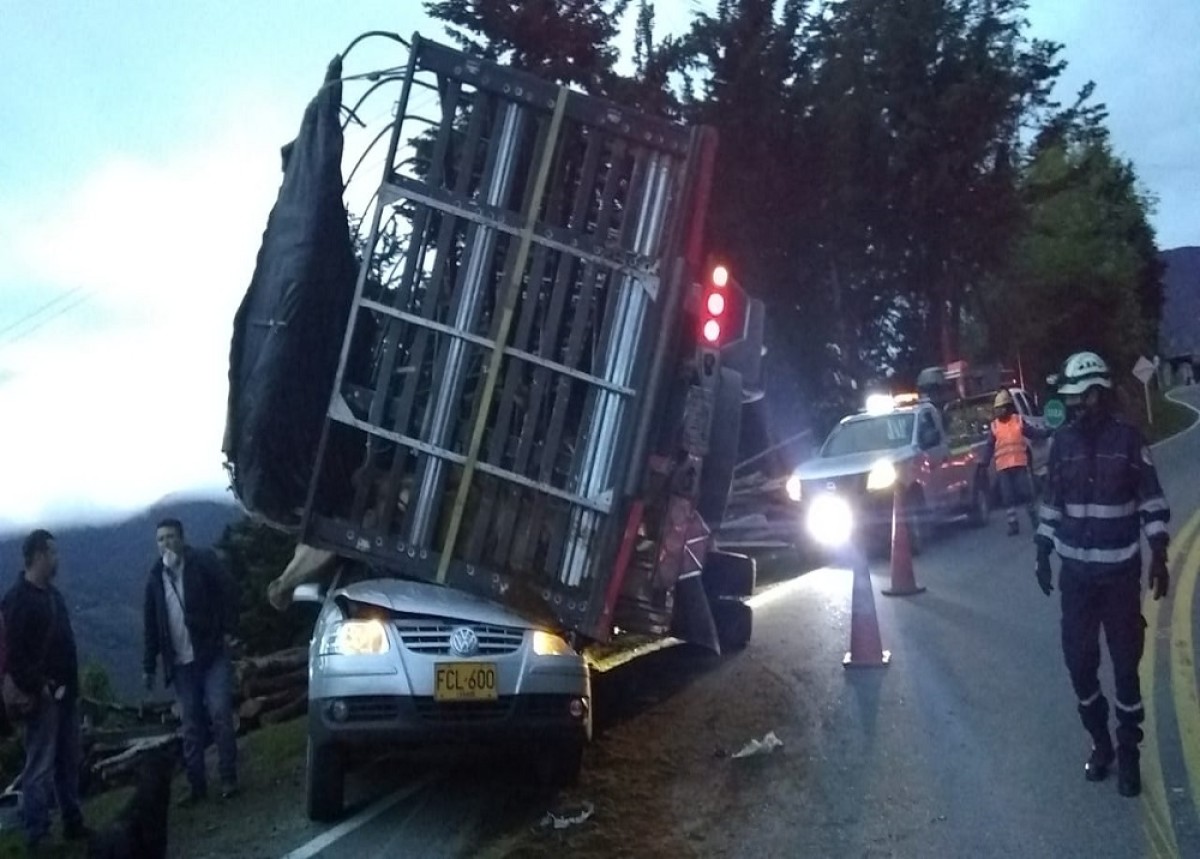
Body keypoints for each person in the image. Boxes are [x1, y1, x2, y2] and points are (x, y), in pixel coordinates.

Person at [1034, 351, 1171, 797]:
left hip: (1119, 577)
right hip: (1076, 578)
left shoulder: (1130, 440)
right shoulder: (1062, 444)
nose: (1074, 406)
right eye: (1071, 398)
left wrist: (1160, 552)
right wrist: (1042, 548)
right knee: (1079, 665)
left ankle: (1129, 753)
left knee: (1127, 668)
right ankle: (1101, 743)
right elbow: (1052, 503)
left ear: (1098, 393)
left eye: (1081, 397)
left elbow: (1151, 500)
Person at [1, 529, 90, 852]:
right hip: (41, 697)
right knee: (39, 765)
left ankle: (72, 821)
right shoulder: (18, 600)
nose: (57, 559)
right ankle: (37, 833)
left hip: (65, 694)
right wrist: (39, 686)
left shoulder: (52, 596)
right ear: (39, 555)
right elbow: (14, 654)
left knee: (68, 760)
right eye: (53, 553)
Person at [142, 518, 240, 804]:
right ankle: (197, 786)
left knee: (221, 714)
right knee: (191, 724)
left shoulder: (202, 562)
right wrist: (149, 666)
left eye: (171, 537)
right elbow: (151, 625)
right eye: (161, 539)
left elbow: (229, 591)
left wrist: (229, 630)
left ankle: (228, 777)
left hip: (211, 655)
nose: (166, 543)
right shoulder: (155, 579)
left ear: (182, 539)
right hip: (181, 664)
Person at [980, 389, 1053, 536]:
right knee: (1008, 497)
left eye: (1000, 409)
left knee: (1026, 493)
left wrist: (1046, 432)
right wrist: (984, 462)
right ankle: (1013, 524)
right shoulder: (994, 426)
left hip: (1019, 464)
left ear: (1007, 407)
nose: (998, 412)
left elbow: (1032, 432)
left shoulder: (1018, 420)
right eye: (997, 409)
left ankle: (1034, 519)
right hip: (1003, 468)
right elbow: (989, 446)